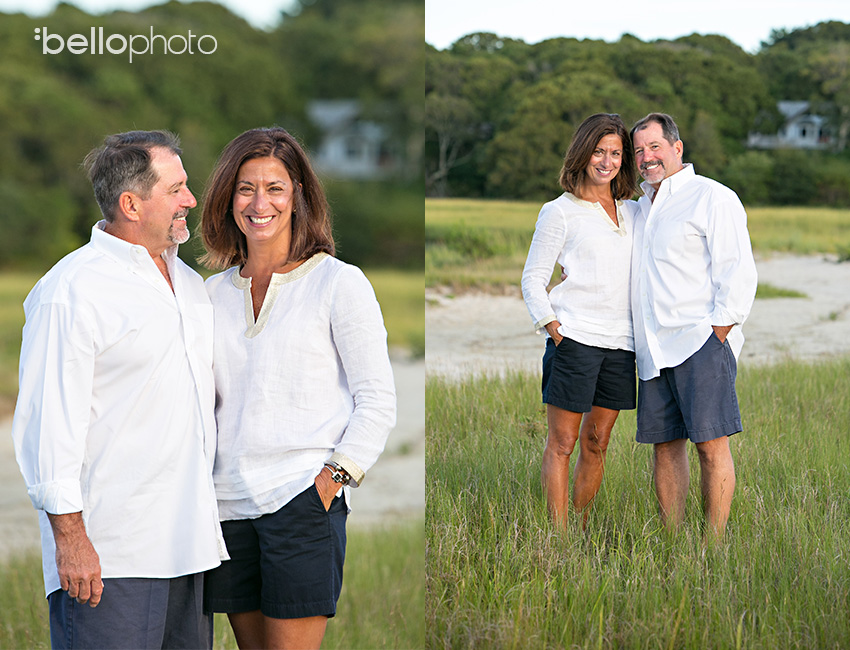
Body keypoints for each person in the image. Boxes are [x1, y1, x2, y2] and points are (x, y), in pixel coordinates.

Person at [11, 130, 227, 649]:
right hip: (112, 554)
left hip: (191, 547)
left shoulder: (192, 285)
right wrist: (72, 541)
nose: (190, 201)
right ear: (131, 203)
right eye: (176, 189)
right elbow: (50, 426)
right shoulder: (71, 291)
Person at [199, 127, 396, 649]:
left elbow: (376, 399)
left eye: (275, 188)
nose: (259, 202)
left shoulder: (337, 282)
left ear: (298, 196)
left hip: (301, 499)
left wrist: (333, 480)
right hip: (227, 507)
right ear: (228, 197)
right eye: (245, 188)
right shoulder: (210, 294)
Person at [630, 113, 758, 540]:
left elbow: (738, 273)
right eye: (639, 151)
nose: (647, 157)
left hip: (699, 341)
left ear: (677, 148)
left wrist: (717, 336)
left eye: (654, 147)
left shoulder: (712, 197)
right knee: (665, 448)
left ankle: (713, 545)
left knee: (710, 445)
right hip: (653, 348)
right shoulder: (640, 207)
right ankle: (673, 540)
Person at [521, 113, 639, 529]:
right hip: (574, 340)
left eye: (615, 153)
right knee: (563, 442)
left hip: (622, 344)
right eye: (598, 151)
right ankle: (558, 537)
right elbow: (533, 277)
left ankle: (582, 524)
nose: (606, 161)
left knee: (598, 441)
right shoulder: (560, 212)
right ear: (582, 153)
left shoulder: (634, 212)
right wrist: (553, 329)